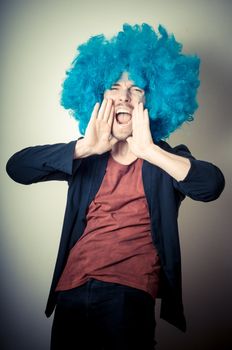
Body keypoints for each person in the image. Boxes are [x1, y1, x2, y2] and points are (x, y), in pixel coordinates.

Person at [6, 24, 225, 350]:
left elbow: (212, 185)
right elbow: (17, 167)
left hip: (128, 294)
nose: (123, 95)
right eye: (114, 86)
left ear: (154, 100)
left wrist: (150, 151)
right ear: (98, 96)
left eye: (136, 89)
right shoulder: (86, 154)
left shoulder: (166, 160)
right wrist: (84, 149)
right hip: (71, 290)